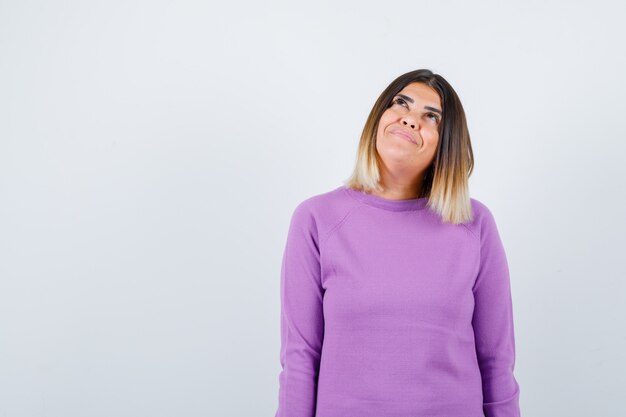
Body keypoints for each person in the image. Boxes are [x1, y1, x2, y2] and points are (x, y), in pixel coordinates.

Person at [274, 69, 521, 417]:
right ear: (379, 117)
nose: (409, 120)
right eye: (400, 104)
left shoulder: (474, 224)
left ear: (445, 144)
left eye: (430, 116)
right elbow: (300, 357)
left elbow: (497, 361)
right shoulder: (316, 218)